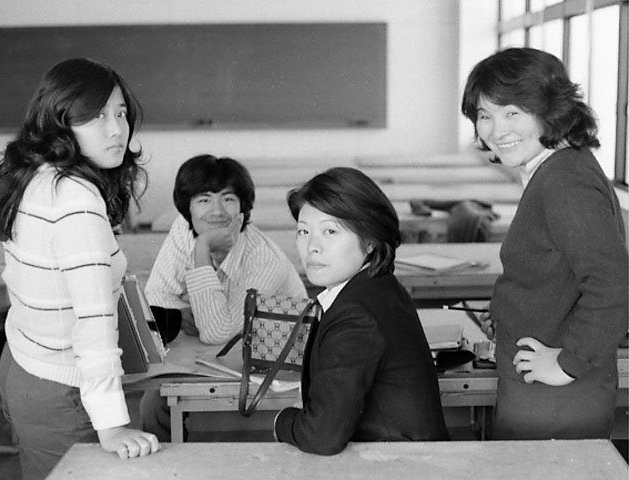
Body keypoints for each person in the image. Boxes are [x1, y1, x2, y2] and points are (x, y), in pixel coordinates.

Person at [0, 58, 160, 480]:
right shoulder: (76, 202)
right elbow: (93, 324)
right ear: (61, 122)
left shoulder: (37, 175)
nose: (117, 130)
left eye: (120, 113)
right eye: (97, 117)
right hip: (61, 389)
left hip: (23, 362)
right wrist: (112, 426)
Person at [461, 47, 628, 440]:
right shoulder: (555, 168)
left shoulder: (565, 181)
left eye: (513, 113)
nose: (496, 130)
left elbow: (613, 285)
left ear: (550, 111)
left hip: (557, 394)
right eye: (485, 115)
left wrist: (569, 363)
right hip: (541, 383)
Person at [273, 167, 449, 455]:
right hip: (405, 458)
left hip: (399, 466)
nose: (312, 247)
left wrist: (281, 421)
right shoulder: (378, 286)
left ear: (370, 241)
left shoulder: (356, 313)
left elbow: (321, 436)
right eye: (303, 231)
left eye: (330, 231)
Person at [140, 154, 306, 441]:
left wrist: (202, 248)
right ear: (188, 208)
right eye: (204, 200)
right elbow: (156, 297)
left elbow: (215, 332)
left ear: (243, 208)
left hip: (272, 366)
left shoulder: (264, 259)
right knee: (153, 403)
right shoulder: (182, 229)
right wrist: (183, 314)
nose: (216, 211)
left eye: (228, 199)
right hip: (216, 357)